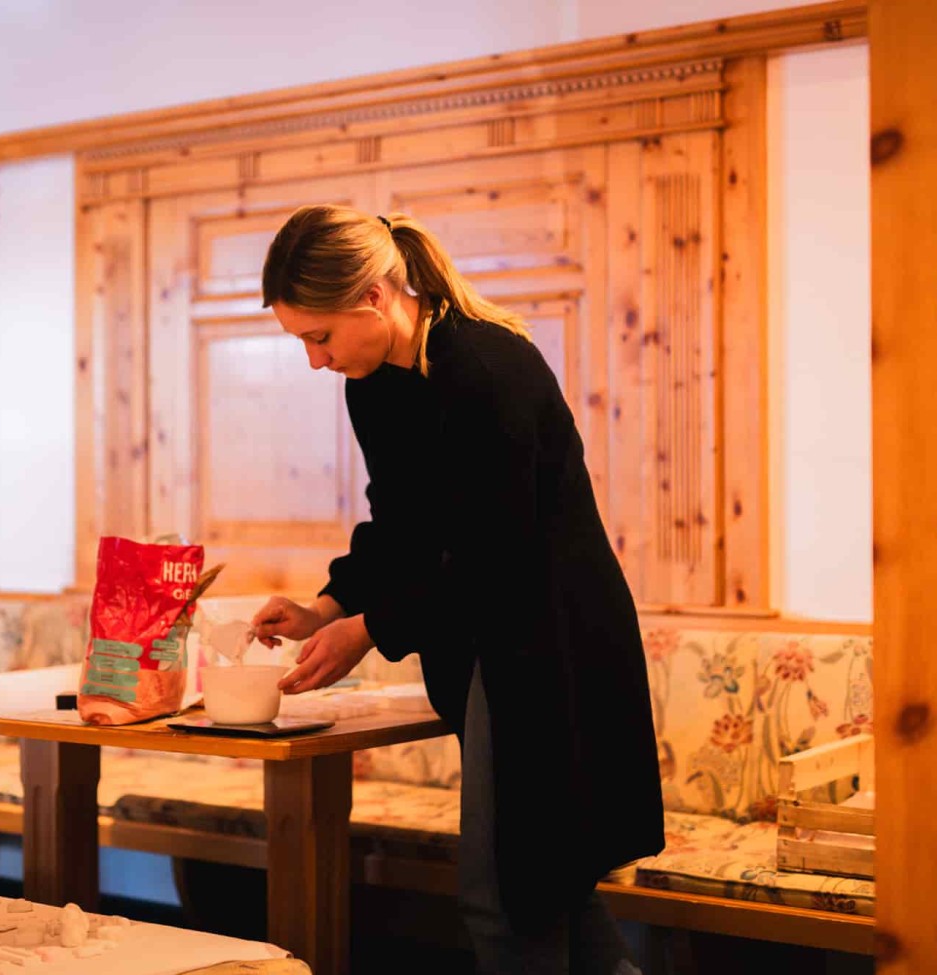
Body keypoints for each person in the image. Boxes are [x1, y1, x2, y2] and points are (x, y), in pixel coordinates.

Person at [251, 204, 663, 975]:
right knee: (551, 887)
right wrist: (328, 607)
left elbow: (494, 553)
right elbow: (401, 523)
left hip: (551, 647)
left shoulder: (486, 368)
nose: (316, 361)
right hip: (493, 640)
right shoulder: (375, 382)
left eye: (319, 336)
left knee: (507, 898)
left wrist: (370, 628)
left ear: (374, 296)